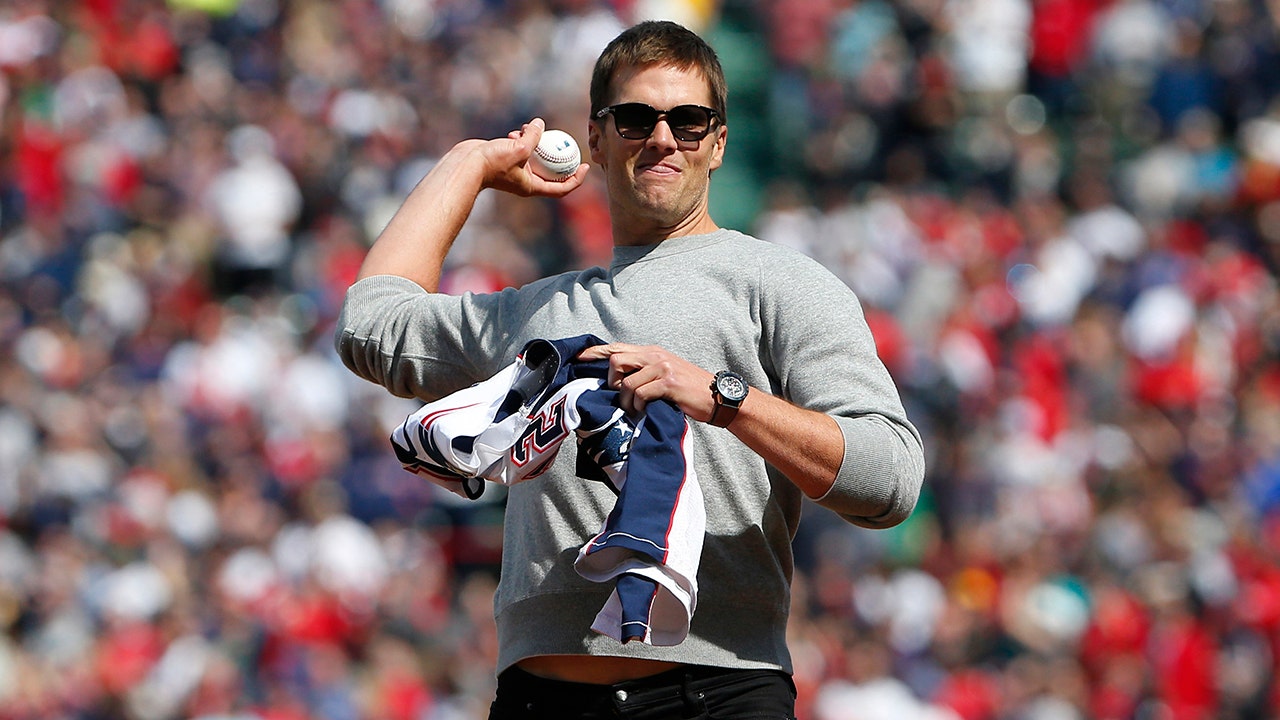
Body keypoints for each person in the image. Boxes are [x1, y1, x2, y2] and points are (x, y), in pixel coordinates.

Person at [335, 19, 925, 720]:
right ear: (597, 137)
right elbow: (369, 325)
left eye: (690, 120)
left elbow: (889, 479)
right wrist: (469, 165)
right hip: (539, 698)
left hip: (716, 688)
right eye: (637, 118)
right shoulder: (538, 314)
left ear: (720, 143)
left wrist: (720, 397)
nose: (664, 138)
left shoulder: (781, 284)